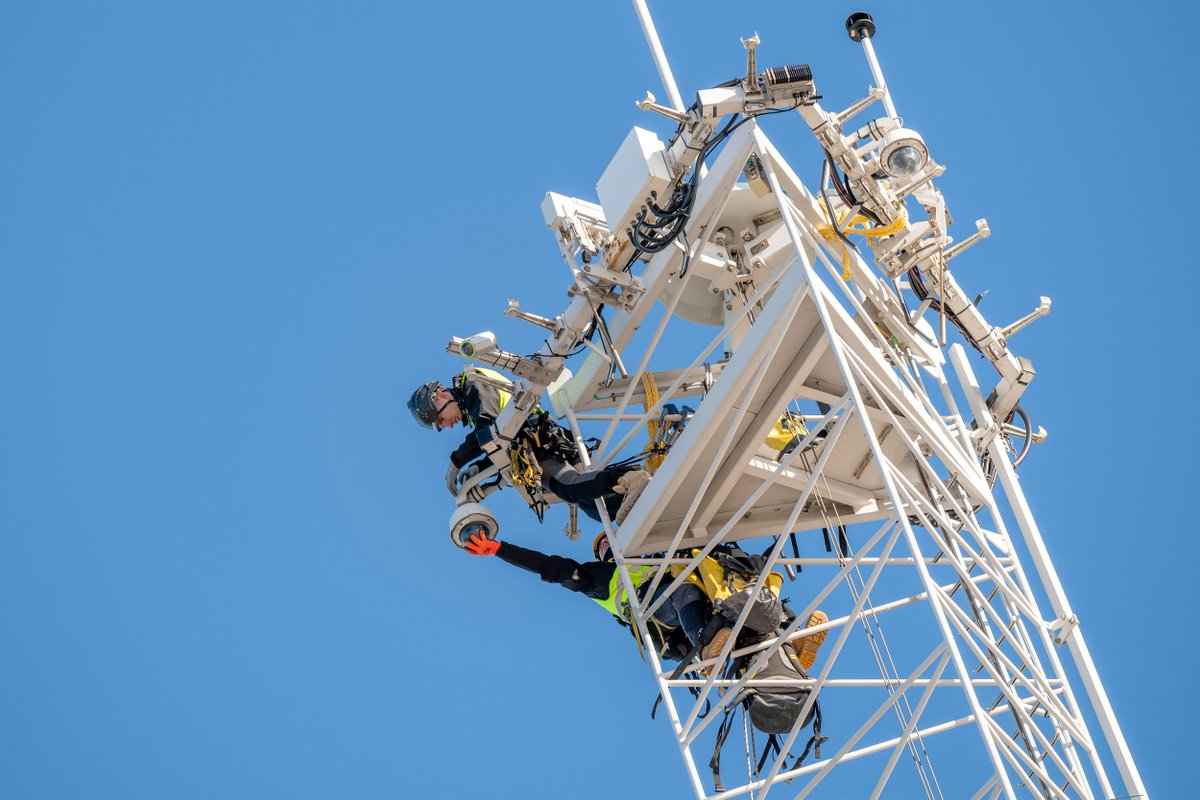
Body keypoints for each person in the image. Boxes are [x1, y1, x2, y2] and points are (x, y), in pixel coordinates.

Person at [408, 369, 651, 524]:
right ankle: (638, 504)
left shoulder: (474, 384)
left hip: (539, 443)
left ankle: (629, 478)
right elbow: (496, 439)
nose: (447, 426)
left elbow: (487, 430)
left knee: (569, 489)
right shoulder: (473, 403)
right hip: (538, 446)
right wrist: (480, 470)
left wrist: (455, 463)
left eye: (440, 419)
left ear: (439, 397)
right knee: (594, 506)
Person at [464, 531, 722, 660]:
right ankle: (705, 642)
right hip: (657, 621)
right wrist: (500, 549)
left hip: (680, 614)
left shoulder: (653, 558)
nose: (606, 545)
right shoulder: (598, 576)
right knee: (684, 592)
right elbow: (551, 567)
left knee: (717, 588)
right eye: (601, 547)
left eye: (609, 540)